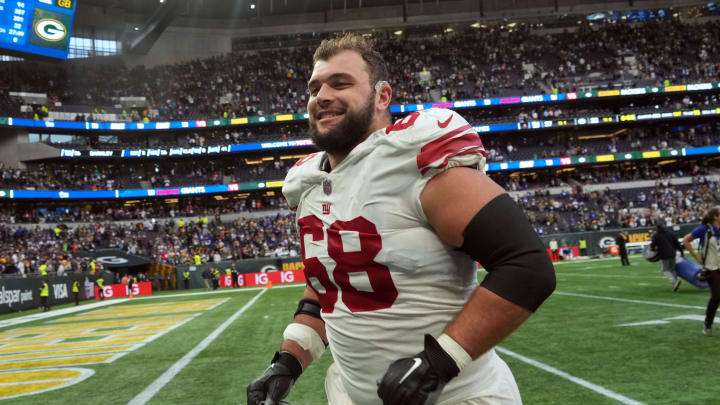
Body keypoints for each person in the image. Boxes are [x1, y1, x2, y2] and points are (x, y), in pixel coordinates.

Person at [246, 33, 556, 405]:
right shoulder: (309, 185)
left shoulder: (416, 160)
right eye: (314, 88)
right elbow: (330, 287)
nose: (321, 96)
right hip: (352, 395)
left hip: (456, 397)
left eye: (340, 83)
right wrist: (288, 361)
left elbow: (527, 266)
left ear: (382, 96)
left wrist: (438, 362)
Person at [682, 207, 720, 336]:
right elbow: (686, 240)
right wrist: (697, 257)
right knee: (717, 296)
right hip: (711, 268)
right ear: (715, 216)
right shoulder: (704, 229)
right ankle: (707, 324)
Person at [650, 223, 684, 291]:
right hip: (672, 253)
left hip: (663, 255)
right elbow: (677, 243)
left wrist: (653, 249)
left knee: (665, 269)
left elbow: (653, 245)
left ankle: (675, 281)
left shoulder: (656, 235)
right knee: (672, 269)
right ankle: (675, 283)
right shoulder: (670, 233)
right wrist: (681, 251)